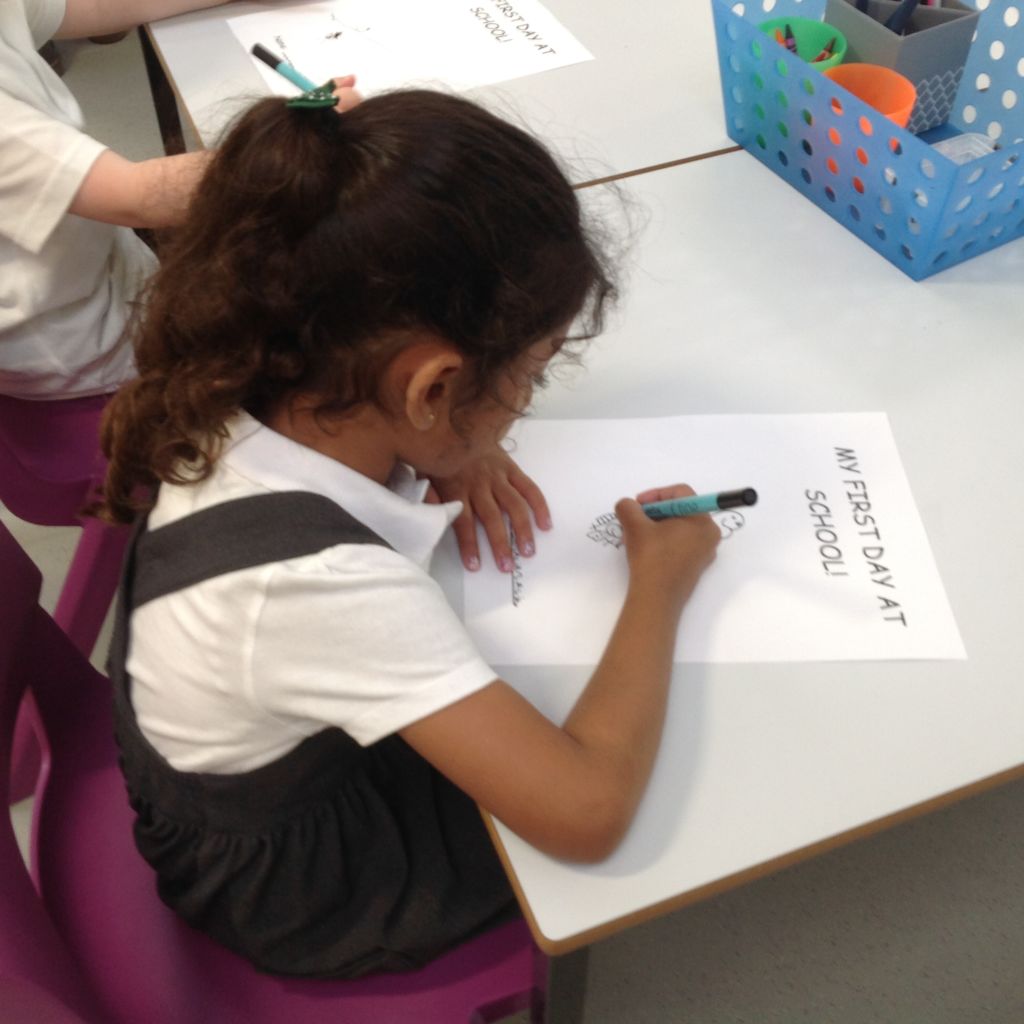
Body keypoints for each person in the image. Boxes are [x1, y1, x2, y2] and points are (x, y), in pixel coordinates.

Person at [98, 89, 721, 979]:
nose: (525, 404)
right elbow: (586, 814)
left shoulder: (251, 365)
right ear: (429, 388)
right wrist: (660, 584)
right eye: (532, 374)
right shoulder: (321, 586)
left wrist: (446, 442)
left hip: (248, 746)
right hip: (294, 882)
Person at [0, 0, 359, 400]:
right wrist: (306, 143)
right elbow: (139, 196)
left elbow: (89, 6)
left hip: (97, 272)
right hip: (75, 349)